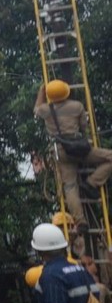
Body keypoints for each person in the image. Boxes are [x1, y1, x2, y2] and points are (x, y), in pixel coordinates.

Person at [34, 80, 112, 234]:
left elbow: (36, 109)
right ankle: (92, 182)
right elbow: (84, 128)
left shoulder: (45, 110)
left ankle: (80, 221)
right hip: (79, 149)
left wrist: (42, 91)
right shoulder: (77, 106)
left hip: (60, 152)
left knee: (70, 187)